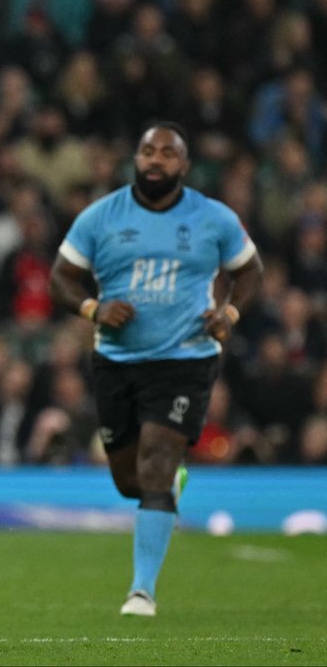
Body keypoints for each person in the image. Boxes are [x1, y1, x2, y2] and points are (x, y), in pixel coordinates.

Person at [49, 122, 263, 617]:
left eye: (168, 153)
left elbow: (249, 271)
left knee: (158, 465)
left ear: (184, 166)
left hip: (185, 359)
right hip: (117, 361)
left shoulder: (214, 218)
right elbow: (62, 276)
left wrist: (228, 314)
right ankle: (166, 484)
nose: (156, 159)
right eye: (148, 150)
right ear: (136, 159)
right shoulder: (101, 217)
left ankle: (141, 591)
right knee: (130, 480)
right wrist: (92, 309)